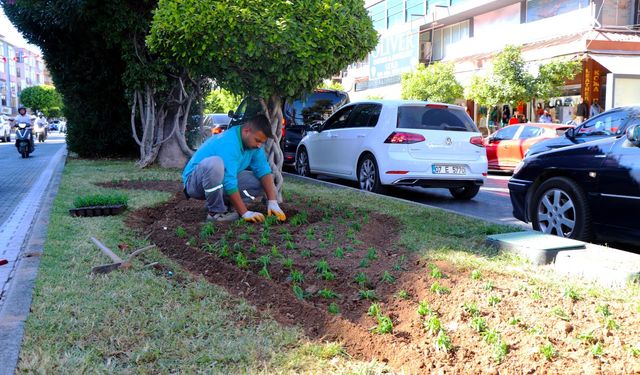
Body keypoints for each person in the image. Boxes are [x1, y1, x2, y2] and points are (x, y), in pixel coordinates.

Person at [182, 114, 286, 223]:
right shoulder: (229, 143)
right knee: (215, 164)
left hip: (218, 178)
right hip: (194, 183)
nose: (259, 145)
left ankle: (223, 203)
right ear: (247, 131)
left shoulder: (253, 145)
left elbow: (263, 170)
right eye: (257, 140)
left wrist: (272, 202)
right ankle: (215, 213)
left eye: (261, 142)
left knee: (263, 182)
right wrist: (245, 213)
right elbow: (229, 181)